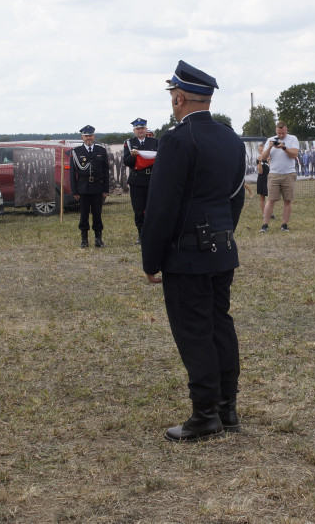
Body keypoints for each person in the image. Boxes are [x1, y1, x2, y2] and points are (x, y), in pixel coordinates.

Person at [141, 60, 246, 442]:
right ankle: (226, 408)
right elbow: (236, 197)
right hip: (222, 249)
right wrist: (222, 234)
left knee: (195, 333)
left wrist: (151, 259)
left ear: (180, 97)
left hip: (186, 255)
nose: (173, 100)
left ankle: (204, 416)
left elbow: (162, 207)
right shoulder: (231, 139)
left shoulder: (176, 139)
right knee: (220, 326)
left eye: (173, 95)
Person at [70, 126, 109, 248]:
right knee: (84, 215)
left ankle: (98, 239)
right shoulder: (76, 152)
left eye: (91, 135)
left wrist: (105, 189)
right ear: (82, 137)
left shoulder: (101, 150)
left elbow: (106, 171)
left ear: (94, 136)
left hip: (97, 187)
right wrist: (74, 191)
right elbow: (72, 173)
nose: (89, 138)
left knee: (97, 214)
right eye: (86, 136)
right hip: (83, 188)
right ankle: (84, 240)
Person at [123, 118, 159, 244]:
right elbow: (126, 162)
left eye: (142, 128)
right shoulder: (129, 143)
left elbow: (159, 159)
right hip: (137, 180)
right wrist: (133, 156)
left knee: (152, 208)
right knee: (138, 209)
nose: (140, 130)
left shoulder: (154, 142)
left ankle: (152, 233)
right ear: (134, 130)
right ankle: (141, 234)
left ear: (146, 129)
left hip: (151, 180)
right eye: (138, 129)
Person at [259, 121, 299, 232]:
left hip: (289, 174)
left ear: (286, 130)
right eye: (279, 133)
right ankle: (265, 225)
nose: (281, 135)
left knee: (287, 200)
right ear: (276, 131)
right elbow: (263, 157)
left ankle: (284, 225)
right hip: (274, 174)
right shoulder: (270, 140)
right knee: (271, 200)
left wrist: (284, 148)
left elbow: (294, 155)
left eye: (283, 133)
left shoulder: (292, 139)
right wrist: (270, 147)